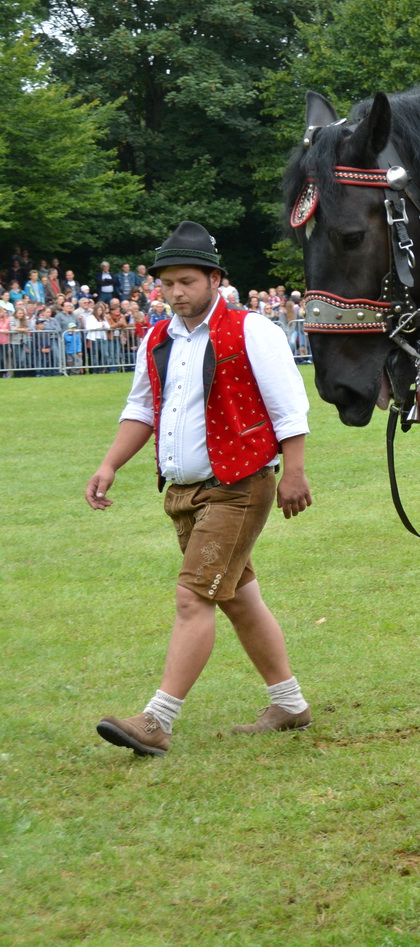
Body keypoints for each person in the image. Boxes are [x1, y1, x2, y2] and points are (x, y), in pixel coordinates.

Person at [85, 221, 315, 757]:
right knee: (236, 598)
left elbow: (289, 407)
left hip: (240, 485)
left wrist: (295, 472)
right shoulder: (156, 337)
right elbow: (142, 409)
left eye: (186, 281)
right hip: (183, 492)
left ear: (216, 279)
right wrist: (110, 464)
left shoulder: (252, 330)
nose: (175, 293)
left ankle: (157, 720)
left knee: (193, 598)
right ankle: (290, 704)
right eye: (166, 284)